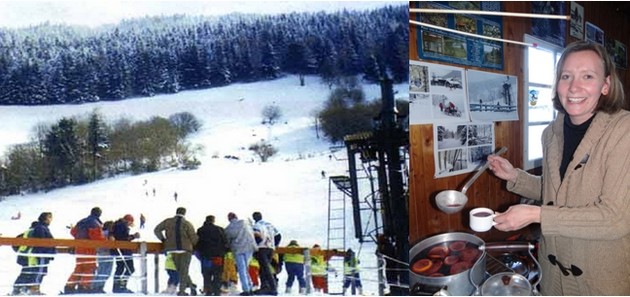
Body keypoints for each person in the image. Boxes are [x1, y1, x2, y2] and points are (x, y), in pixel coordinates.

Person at [487, 40, 630, 295]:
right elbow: (558, 191)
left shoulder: (623, 131)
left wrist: (535, 215)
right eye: (566, 76)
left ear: (606, 85)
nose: (574, 87)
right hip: (552, 274)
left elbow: (615, 218)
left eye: (587, 76)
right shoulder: (551, 133)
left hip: (600, 279)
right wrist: (515, 177)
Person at [154, 207, 199, 296]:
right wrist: (194, 244)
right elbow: (194, 238)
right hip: (185, 250)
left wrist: (164, 240)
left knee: (179, 271)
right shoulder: (187, 224)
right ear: (184, 213)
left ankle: (191, 286)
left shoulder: (168, 221)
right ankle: (182, 291)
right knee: (184, 270)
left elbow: (156, 230)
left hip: (172, 250)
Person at [65, 207, 106, 294]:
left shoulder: (82, 221)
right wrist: (105, 240)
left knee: (79, 268)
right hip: (89, 249)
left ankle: (69, 286)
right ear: (99, 214)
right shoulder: (95, 223)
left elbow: (73, 232)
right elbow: (96, 237)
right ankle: (84, 286)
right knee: (90, 268)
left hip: (78, 248)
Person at [13, 214, 55, 295]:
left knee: (27, 271)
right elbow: (42, 242)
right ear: (45, 219)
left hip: (28, 255)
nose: (51, 219)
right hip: (37, 255)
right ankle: (32, 289)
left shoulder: (34, 228)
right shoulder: (41, 228)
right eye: (49, 217)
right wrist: (46, 253)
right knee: (38, 272)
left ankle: (19, 289)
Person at [224, 212, 258, 296]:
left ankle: (246, 290)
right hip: (249, 248)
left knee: (242, 270)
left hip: (238, 250)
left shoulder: (228, 228)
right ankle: (250, 288)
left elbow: (227, 241)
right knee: (246, 269)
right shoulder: (245, 223)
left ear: (229, 219)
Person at [195, 215, 227, 296]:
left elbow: (197, 243)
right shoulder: (220, 229)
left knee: (206, 274)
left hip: (205, 256)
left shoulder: (200, 230)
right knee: (217, 274)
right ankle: (217, 291)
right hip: (218, 256)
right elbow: (225, 242)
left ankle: (208, 291)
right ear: (213, 221)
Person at [251, 211, 280, 295]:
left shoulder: (256, 226)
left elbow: (257, 237)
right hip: (270, 248)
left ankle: (272, 288)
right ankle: (265, 287)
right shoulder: (269, 225)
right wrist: (275, 245)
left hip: (262, 248)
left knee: (265, 269)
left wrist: (255, 246)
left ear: (254, 218)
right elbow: (278, 235)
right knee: (265, 268)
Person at [111, 214, 140, 293]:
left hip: (120, 250)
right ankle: (121, 286)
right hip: (123, 250)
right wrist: (133, 236)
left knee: (120, 268)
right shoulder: (121, 225)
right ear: (128, 221)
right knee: (129, 268)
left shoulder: (119, 225)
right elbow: (122, 239)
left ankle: (117, 286)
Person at [92, 220, 115, 293]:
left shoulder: (102, 233)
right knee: (104, 271)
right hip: (105, 254)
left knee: (102, 271)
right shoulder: (106, 234)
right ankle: (97, 287)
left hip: (103, 254)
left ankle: (97, 286)